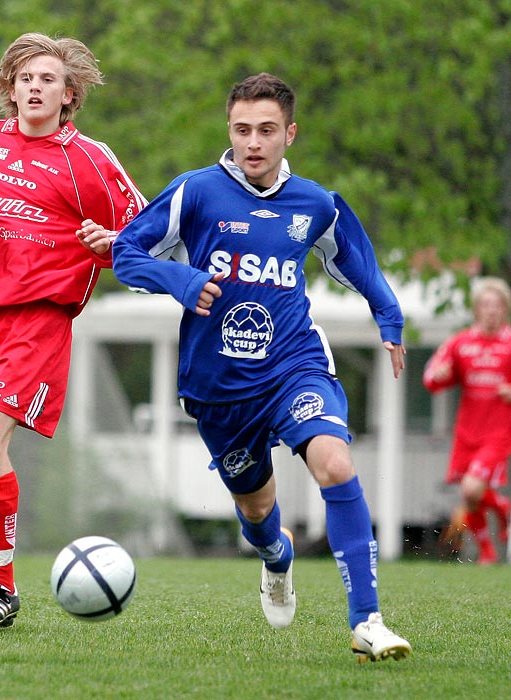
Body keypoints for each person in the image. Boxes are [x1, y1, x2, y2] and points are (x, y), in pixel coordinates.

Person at [112, 73, 412, 662]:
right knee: (255, 508)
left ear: (289, 135)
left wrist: (389, 317)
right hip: (219, 387)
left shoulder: (314, 204)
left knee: (334, 461)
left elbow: (358, 263)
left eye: (267, 131)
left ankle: (367, 620)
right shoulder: (196, 192)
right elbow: (127, 251)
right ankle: (277, 558)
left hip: (292, 363)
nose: (253, 142)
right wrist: (183, 279)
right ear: (229, 130)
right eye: (242, 129)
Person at [0, 32, 145, 629]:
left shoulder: (91, 159)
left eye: (48, 79)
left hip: (37, 319)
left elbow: (142, 229)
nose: (35, 87)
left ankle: (3, 587)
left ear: (69, 94)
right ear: (10, 89)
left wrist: (112, 245)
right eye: (25, 78)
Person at [423, 277, 511, 565]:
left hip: (497, 432)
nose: (491, 311)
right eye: (486, 305)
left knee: (471, 489)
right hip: (466, 433)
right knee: (470, 497)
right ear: (477, 310)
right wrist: (439, 375)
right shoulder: (461, 342)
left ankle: (502, 510)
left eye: (497, 305)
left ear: (504, 309)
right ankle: (487, 547)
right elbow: (431, 376)